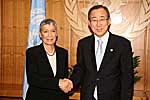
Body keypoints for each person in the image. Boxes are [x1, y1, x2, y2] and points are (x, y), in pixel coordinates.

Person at [60, 5, 134, 100]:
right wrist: (71, 82)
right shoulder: (83, 44)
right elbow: (81, 69)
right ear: (89, 23)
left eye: (102, 19)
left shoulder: (122, 44)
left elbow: (127, 78)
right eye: (94, 20)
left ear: (109, 21)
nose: (98, 24)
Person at [25, 18, 72, 100]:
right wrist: (57, 82)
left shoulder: (63, 53)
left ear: (56, 34)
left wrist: (67, 84)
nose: (50, 35)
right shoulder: (32, 52)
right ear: (40, 34)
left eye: (53, 31)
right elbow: (33, 79)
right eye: (46, 31)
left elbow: (64, 77)